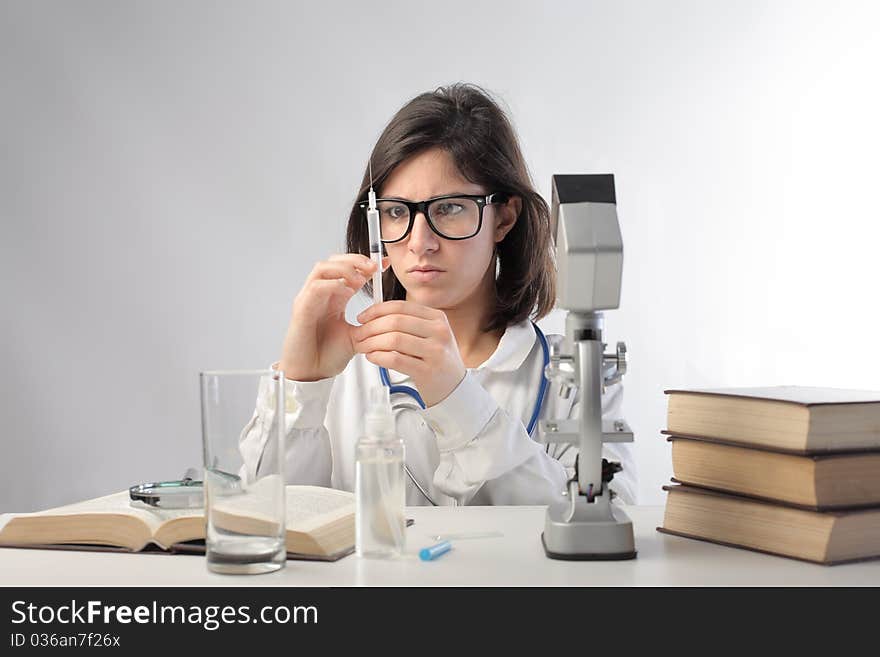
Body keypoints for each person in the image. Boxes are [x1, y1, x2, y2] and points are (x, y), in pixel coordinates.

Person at [240, 83, 636, 506]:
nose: (419, 242)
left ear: (504, 217)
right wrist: (302, 385)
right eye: (396, 212)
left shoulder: (573, 377)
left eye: (448, 208)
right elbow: (265, 524)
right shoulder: (340, 373)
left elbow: (609, 523)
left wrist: (457, 398)